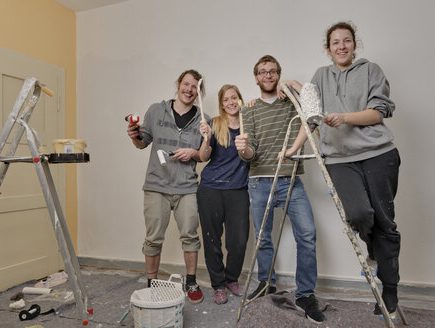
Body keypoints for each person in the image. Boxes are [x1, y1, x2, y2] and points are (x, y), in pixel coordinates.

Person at [283, 21, 401, 316]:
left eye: (346, 41)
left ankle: (390, 289)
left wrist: (345, 118)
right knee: (359, 214)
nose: (341, 46)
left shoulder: (371, 70)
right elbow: (311, 116)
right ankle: (375, 250)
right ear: (328, 49)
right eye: (335, 42)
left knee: (386, 223)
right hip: (338, 158)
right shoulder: (321, 76)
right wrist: (295, 148)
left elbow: (379, 112)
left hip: (379, 154)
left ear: (354, 44)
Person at [234, 55, 324, 323]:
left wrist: (294, 85)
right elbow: (250, 155)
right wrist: (244, 149)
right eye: (263, 72)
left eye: (273, 71)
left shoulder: (291, 104)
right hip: (260, 182)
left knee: (307, 235)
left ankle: (305, 294)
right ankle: (266, 284)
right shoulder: (248, 110)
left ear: (278, 75)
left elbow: (314, 110)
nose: (268, 76)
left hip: (290, 181)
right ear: (256, 77)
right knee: (263, 239)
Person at [127, 69, 211, 304]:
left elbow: (204, 156)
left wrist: (196, 150)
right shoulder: (156, 111)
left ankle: (191, 282)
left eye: (194, 87)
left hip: (186, 188)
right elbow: (142, 143)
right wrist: (134, 135)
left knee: (190, 237)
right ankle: (151, 283)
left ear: (199, 92)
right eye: (186, 84)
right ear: (178, 84)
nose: (189, 89)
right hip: (156, 186)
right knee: (153, 239)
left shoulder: (205, 119)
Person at [196, 85, 250, 305]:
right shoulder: (214, 123)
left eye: (234, 97)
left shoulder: (249, 123)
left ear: (240, 99)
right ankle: (218, 285)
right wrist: (206, 139)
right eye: (226, 99)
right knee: (212, 241)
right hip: (211, 189)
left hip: (238, 189)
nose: (230, 102)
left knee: (238, 240)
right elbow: (202, 156)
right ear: (221, 103)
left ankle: (231, 279)